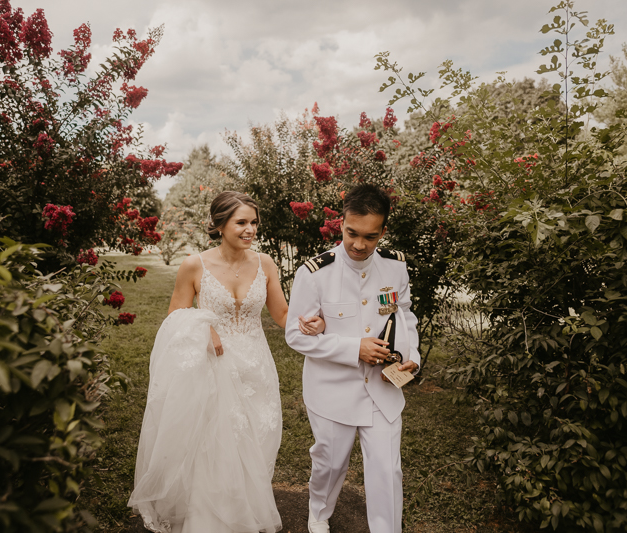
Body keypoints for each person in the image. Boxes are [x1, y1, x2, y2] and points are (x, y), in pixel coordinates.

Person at [128, 191, 325, 533]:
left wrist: (309, 323)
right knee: (215, 443)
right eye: (241, 222)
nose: (250, 230)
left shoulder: (265, 263)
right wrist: (203, 327)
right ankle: (210, 520)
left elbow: (281, 313)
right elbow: (176, 313)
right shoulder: (194, 264)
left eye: (253, 223)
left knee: (257, 438)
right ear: (219, 225)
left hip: (256, 365)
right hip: (213, 364)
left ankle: (244, 511)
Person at [285, 183, 420, 533]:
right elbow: (295, 334)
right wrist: (353, 348)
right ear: (340, 223)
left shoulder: (395, 268)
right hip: (332, 390)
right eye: (352, 233)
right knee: (330, 463)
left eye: (371, 237)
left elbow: (404, 316)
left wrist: (413, 357)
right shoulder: (315, 273)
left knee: (386, 470)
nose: (360, 245)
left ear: (383, 231)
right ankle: (318, 513)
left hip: (383, 386)